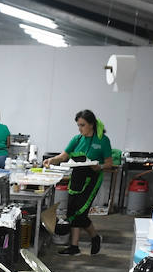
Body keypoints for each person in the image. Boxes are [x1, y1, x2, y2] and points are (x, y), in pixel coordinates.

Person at [44, 109, 113, 256]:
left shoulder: (103, 141)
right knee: (72, 212)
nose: (80, 128)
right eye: (78, 125)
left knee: (80, 213)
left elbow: (109, 163)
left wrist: (99, 166)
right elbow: (64, 156)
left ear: (91, 124)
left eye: (83, 125)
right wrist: (51, 160)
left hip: (92, 179)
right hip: (76, 178)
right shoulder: (77, 139)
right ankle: (74, 247)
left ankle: (95, 237)